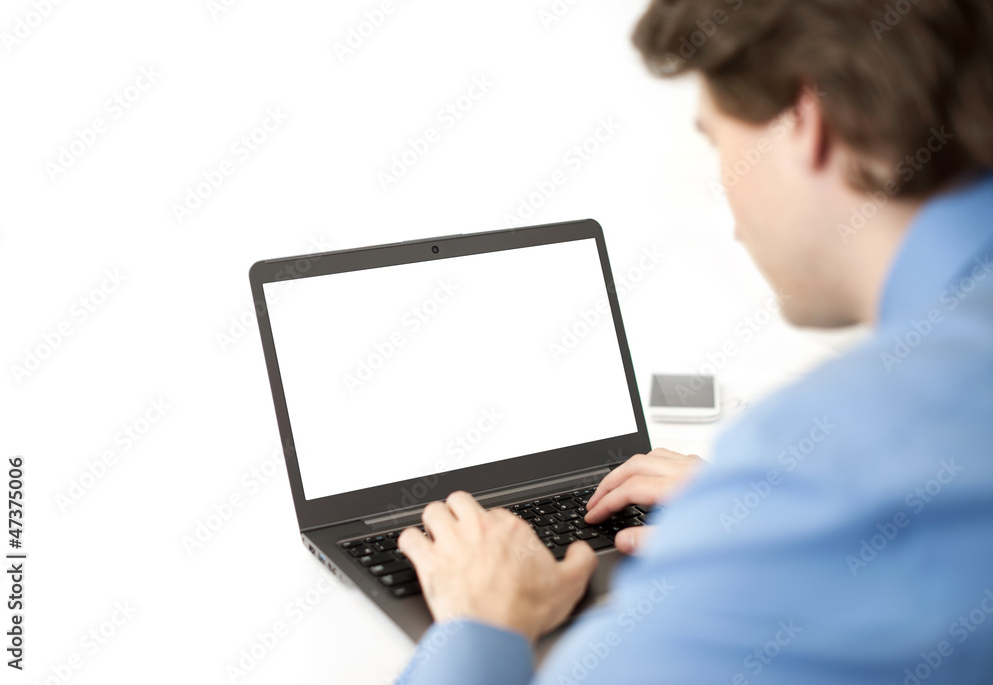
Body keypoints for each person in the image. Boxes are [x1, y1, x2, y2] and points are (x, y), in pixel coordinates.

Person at [393, 1, 993, 682]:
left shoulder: (828, 462)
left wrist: (482, 623)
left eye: (717, 141)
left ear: (805, 123)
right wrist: (769, 520)